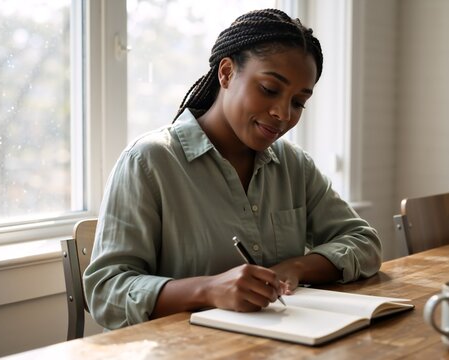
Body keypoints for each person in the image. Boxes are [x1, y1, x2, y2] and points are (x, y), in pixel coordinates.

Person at [84, 8, 382, 330]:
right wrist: (209, 290)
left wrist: (296, 267)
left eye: (298, 102)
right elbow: (106, 292)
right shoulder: (149, 163)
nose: (283, 113)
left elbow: (363, 241)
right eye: (269, 89)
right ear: (226, 73)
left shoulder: (294, 166)